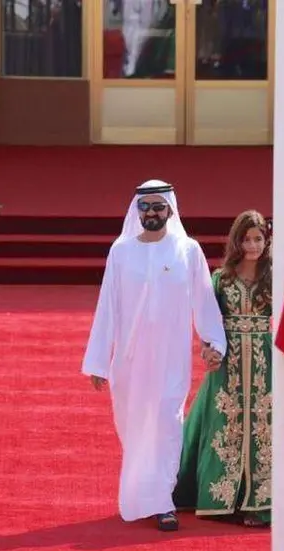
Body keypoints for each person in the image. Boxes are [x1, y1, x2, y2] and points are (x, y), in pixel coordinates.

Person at [82, 179, 227, 531]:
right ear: (137, 211)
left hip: (170, 358)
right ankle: (137, 496)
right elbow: (107, 308)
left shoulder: (188, 250)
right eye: (144, 207)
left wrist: (214, 343)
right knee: (134, 428)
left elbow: (204, 301)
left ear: (170, 210)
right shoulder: (121, 251)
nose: (151, 213)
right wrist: (99, 361)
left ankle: (164, 501)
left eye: (158, 207)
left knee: (166, 424)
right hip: (129, 362)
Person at [173, 210, 283, 528]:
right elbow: (209, 321)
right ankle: (224, 498)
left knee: (264, 425)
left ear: (267, 240)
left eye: (258, 239)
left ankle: (262, 503)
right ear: (237, 241)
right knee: (225, 424)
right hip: (228, 360)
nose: (253, 245)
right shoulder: (222, 277)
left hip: (264, 358)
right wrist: (207, 349)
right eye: (247, 239)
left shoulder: (275, 275)